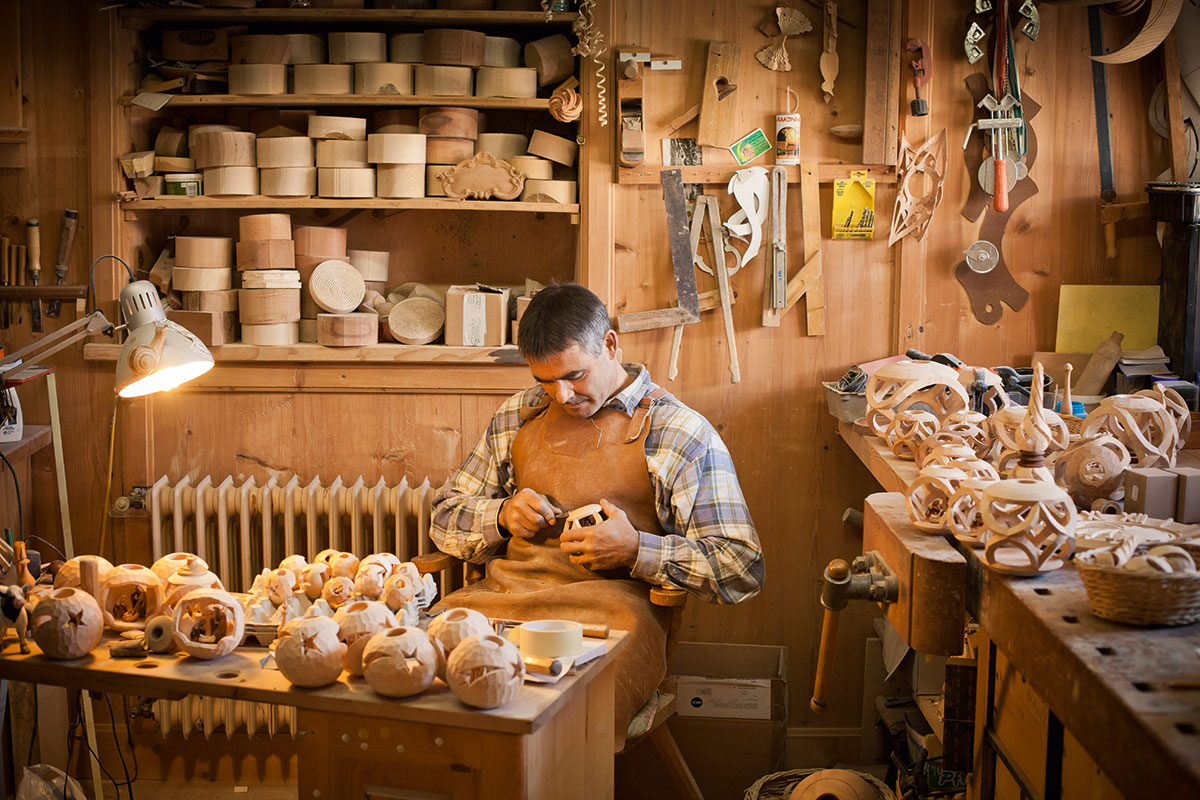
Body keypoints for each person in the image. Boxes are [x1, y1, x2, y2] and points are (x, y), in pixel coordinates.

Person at [430, 283, 764, 747]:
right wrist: (501, 515)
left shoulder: (678, 432)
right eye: (544, 381)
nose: (562, 395)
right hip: (500, 603)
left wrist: (636, 550)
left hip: (609, 619)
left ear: (609, 344)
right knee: (412, 675)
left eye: (575, 375)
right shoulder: (519, 416)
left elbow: (741, 565)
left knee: (566, 731)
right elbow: (445, 517)